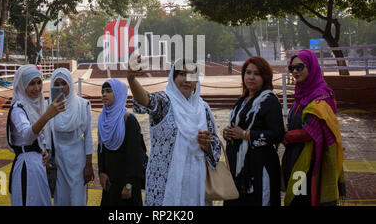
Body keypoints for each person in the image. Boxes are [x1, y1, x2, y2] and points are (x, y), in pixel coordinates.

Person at [129, 56, 221, 206]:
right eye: (181, 74)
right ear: (173, 77)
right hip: (166, 183)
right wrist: (132, 79)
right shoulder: (165, 102)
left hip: (196, 184)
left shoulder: (203, 108)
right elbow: (146, 100)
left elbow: (215, 144)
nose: (186, 79)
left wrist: (208, 145)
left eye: (191, 75)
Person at [282, 50, 346, 206]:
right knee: (296, 198)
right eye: (292, 68)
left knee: (304, 199)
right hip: (294, 158)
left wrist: (284, 136)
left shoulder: (322, 95)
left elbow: (311, 131)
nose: (295, 71)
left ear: (311, 67)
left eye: (300, 67)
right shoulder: (301, 94)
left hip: (310, 162)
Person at [223, 56, 284, 206]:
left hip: (259, 168)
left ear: (265, 77)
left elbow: (277, 134)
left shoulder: (269, 100)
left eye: (256, 74)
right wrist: (228, 133)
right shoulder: (242, 101)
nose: (251, 77)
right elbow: (236, 126)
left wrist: (246, 135)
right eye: (248, 72)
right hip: (238, 168)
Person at [7, 64, 66, 206]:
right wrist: (47, 116)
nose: (37, 88)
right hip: (26, 168)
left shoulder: (37, 105)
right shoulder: (18, 109)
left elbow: (39, 137)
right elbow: (27, 135)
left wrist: (42, 151)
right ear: (22, 85)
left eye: (39, 82)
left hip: (37, 167)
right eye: (31, 84)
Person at [43, 68, 94, 206]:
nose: (60, 87)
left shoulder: (83, 105)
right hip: (58, 161)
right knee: (61, 199)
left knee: (77, 199)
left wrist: (88, 165)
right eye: (56, 84)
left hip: (78, 161)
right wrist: (46, 157)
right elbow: (46, 135)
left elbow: (88, 137)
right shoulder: (48, 106)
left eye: (63, 83)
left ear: (70, 84)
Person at [97, 78, 144, 206]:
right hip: (110, 183)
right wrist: (101, 172)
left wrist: (129, 185)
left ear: (118, 94)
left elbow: (135, 156)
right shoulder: (103, 119)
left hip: (127, 184)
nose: (104, 95)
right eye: (103, 92)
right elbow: (101, 148)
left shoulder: (129, 121)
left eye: (108, 91)